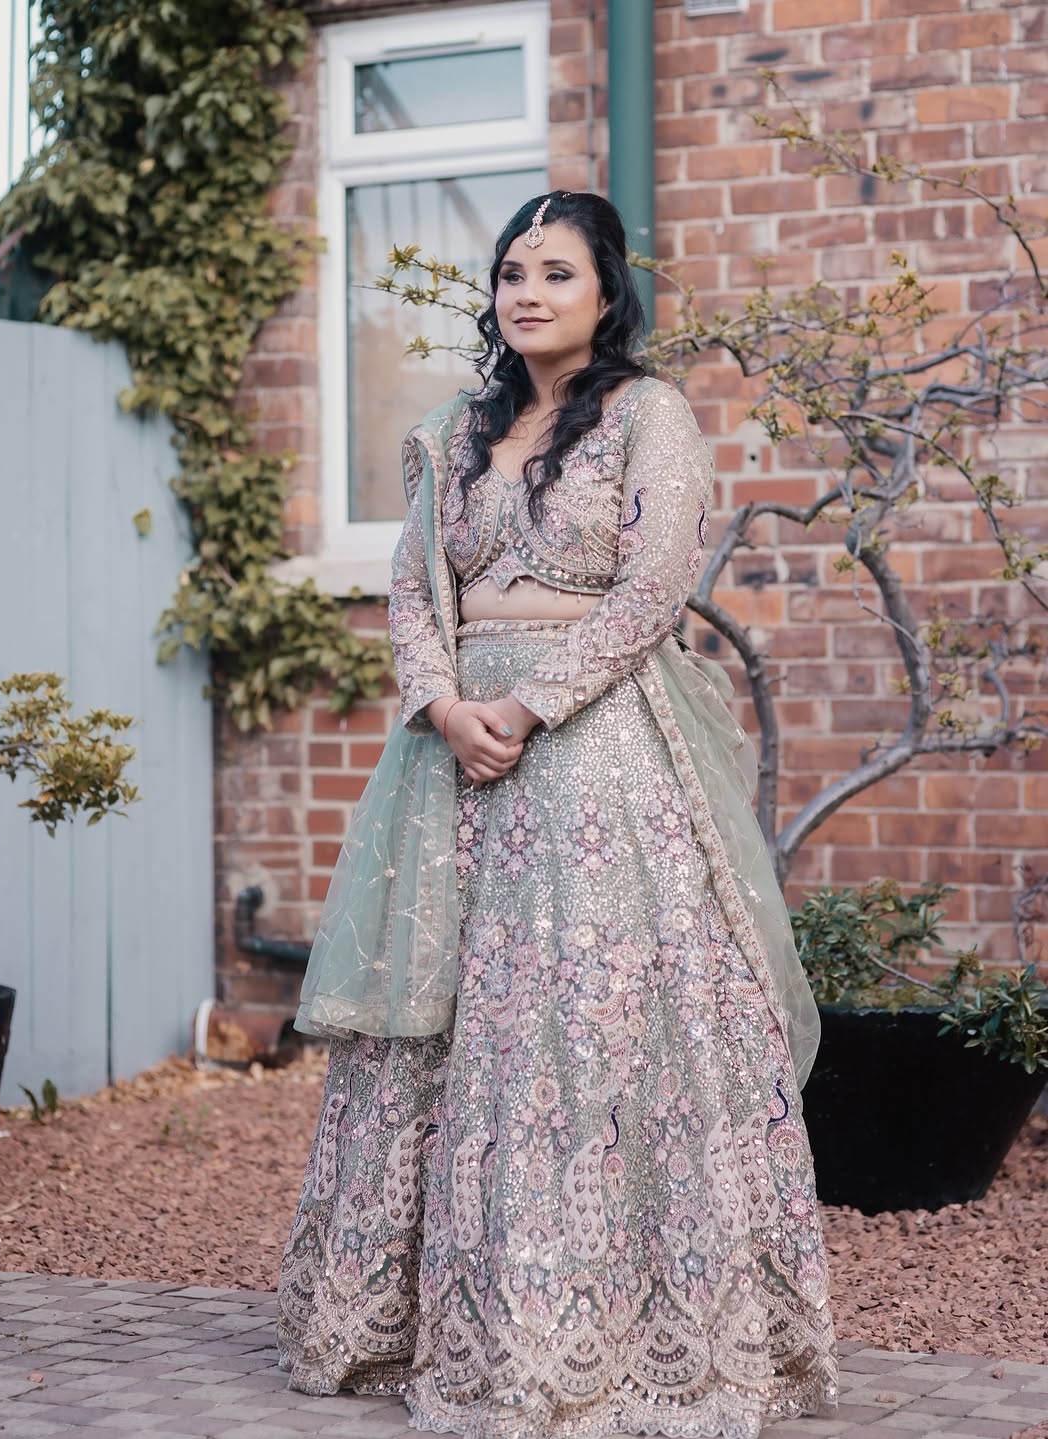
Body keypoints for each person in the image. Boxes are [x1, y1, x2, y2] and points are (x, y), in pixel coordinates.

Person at [277, 191, 840, 1438]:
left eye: (557, 272)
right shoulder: (454, 431)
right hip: (451, 762)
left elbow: (652, 590)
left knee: (575, 1020)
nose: (528, 291)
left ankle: (607, 1329)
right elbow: (411, 592)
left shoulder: (650, 417)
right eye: (512, 271)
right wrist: (438, 703)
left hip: (595, 758)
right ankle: (411, 1323)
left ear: (606, 294)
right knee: (437, 1019)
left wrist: (527, 707)